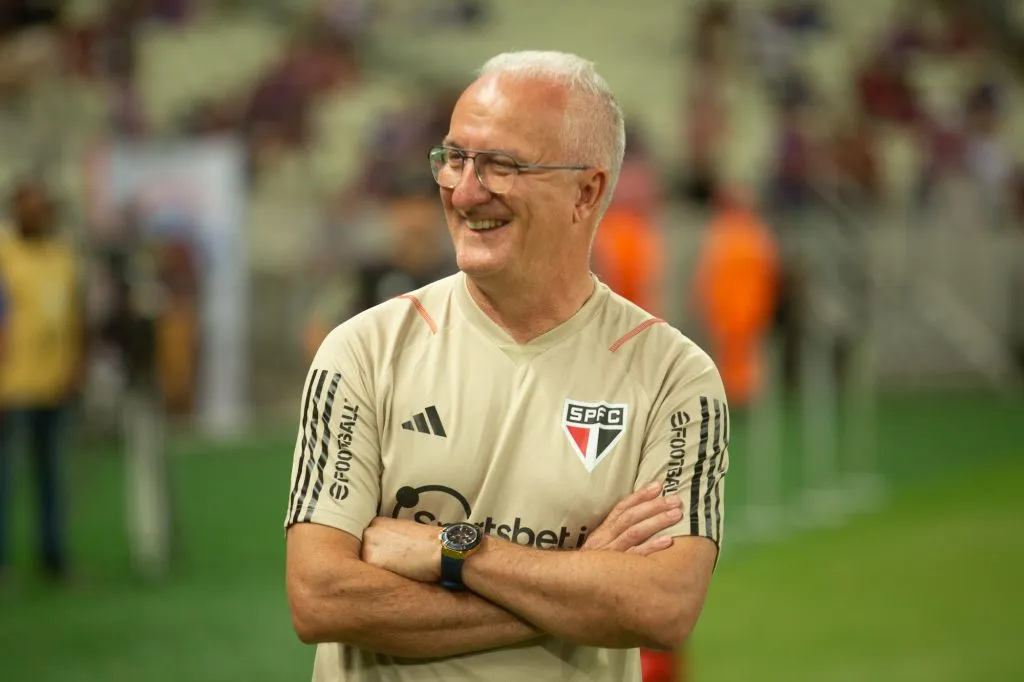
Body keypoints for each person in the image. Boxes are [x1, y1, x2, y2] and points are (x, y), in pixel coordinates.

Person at [285, 51, 730, 681]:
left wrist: (451, 551)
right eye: (455, 159)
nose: (465, 191)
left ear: (587, 191)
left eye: (502, 165)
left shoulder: (672, 379)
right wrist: (580, 584)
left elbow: (663, 606)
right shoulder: (362, 352)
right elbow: (319, 597)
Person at [0, 179, 85, 584]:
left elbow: (75, 317)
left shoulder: (62, 256)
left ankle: (53, 556)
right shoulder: (4, 254)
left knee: (53, 477)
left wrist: (75, 364)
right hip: (11, 386)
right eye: (30, 208)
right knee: (6, 478)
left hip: (54, 384)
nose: (39, 214)